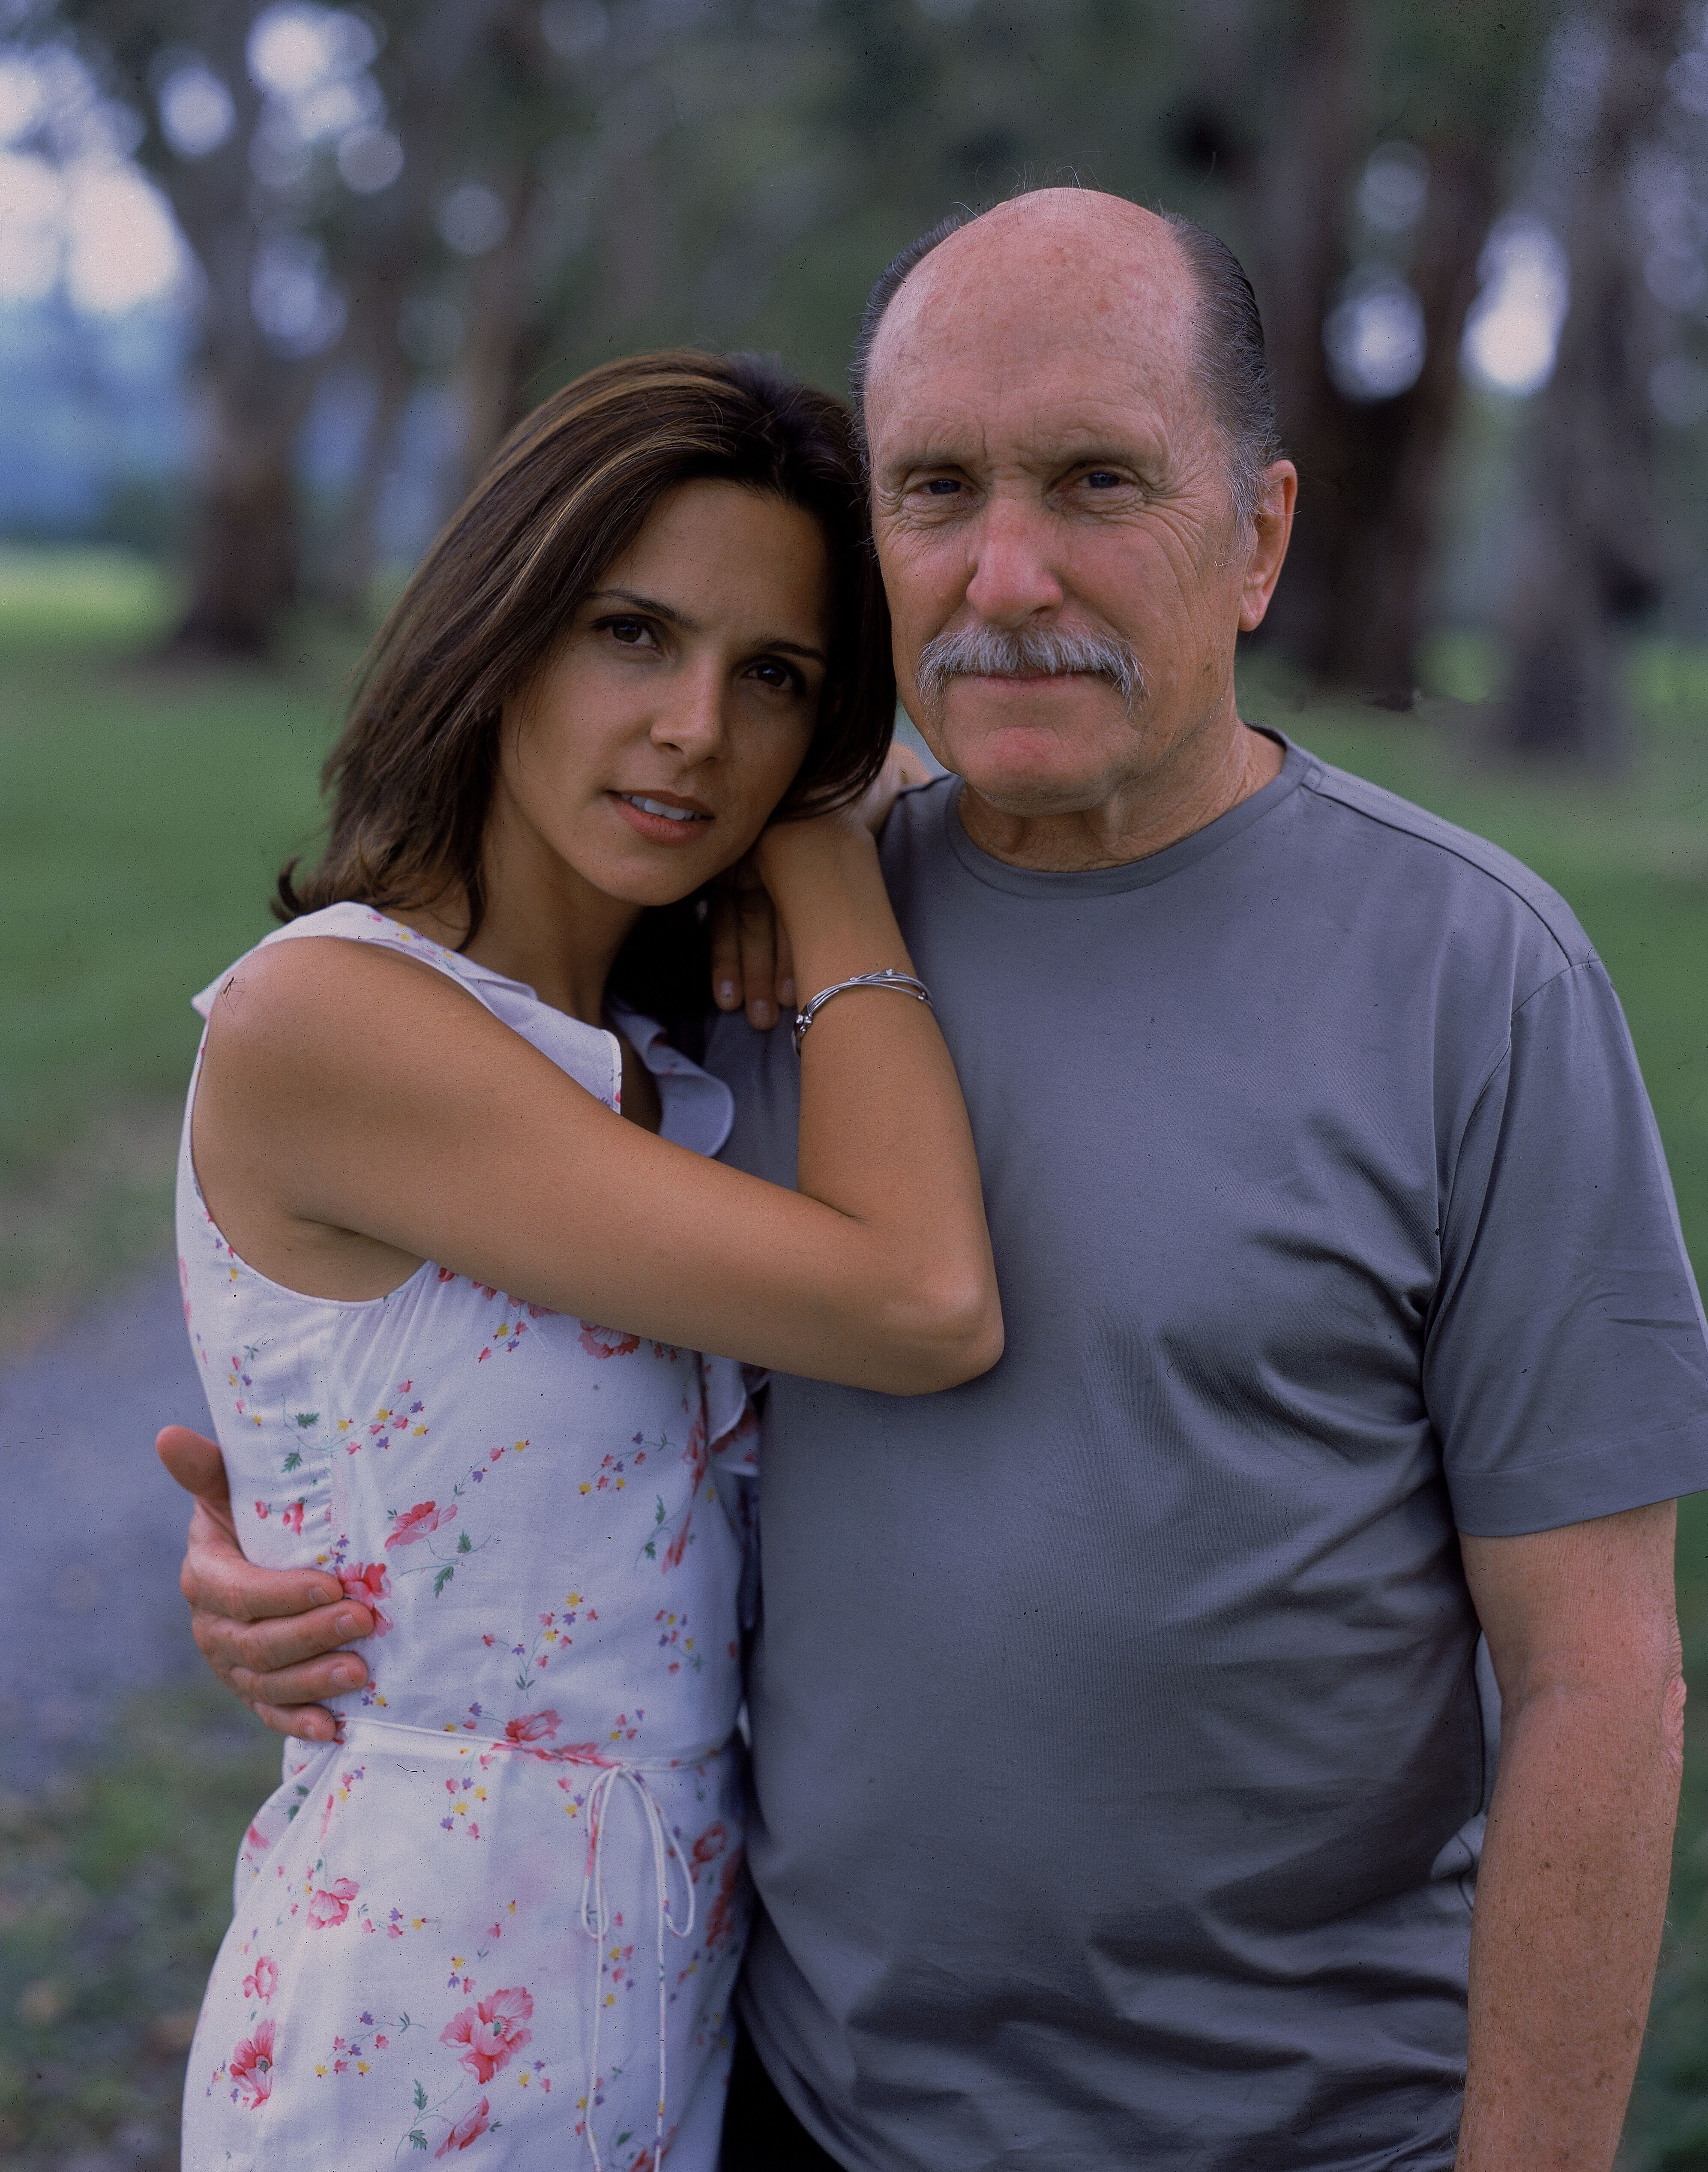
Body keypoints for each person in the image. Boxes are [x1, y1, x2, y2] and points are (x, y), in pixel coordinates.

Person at [164, 193, 1708, 2171]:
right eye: (936, 490)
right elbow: (484, 1367)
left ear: (1257, 537)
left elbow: (1594, 1670)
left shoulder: (1472, 978)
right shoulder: (706, 948)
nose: (1005, 569)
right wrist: (305, 1571)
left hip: (1303, 2134)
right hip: (791, 2104)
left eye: (1097, 482)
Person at [162, 348, 1000, 2170]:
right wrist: (835, 860)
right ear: (500, 633)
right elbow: (924, 1303)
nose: (699, 728)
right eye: (632, 634)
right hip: (417, 2032)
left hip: (670, 1999)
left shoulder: (673, 1064)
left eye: (772, 679)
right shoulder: (335, 1019)